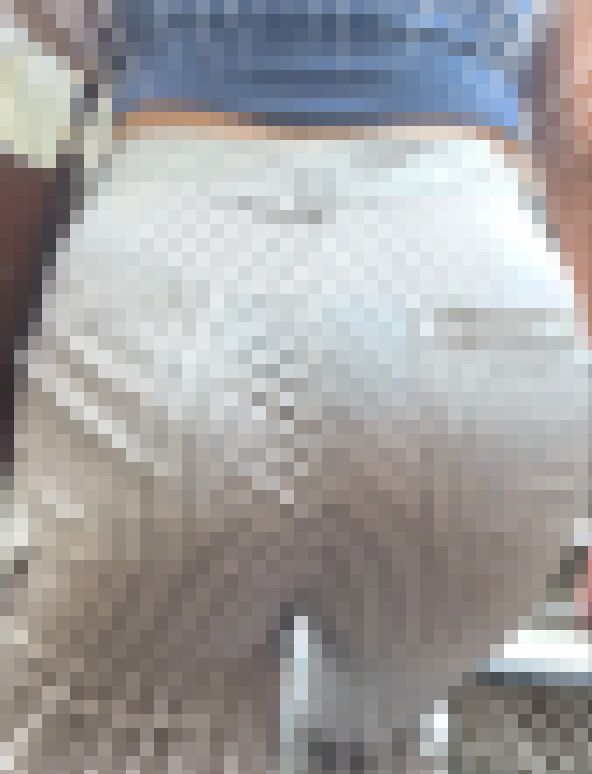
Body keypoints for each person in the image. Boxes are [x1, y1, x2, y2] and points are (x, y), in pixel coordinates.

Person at [7, 4, 590, 774]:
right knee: (378, 727)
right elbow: (581, 128)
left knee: (123, 727)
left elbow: (24, 95)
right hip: (473, 291)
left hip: (175, 270)